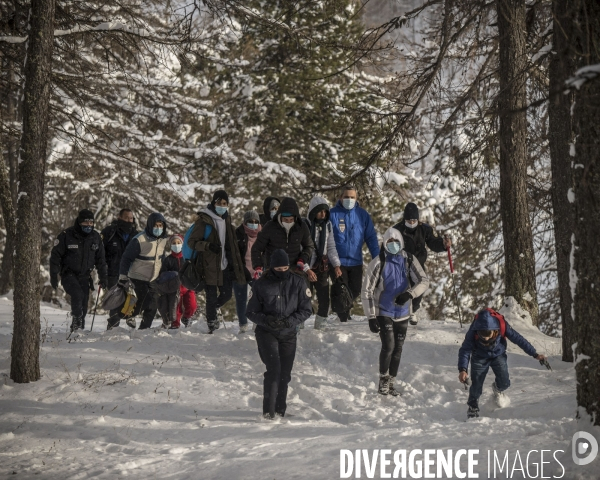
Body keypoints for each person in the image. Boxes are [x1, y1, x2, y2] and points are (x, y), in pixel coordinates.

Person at [361, 227, 429, 396]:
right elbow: (367, 290)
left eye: (395, 242)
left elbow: (424, 281)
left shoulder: (409, 260)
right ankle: (383, 380)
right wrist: (371, 316)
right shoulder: (378, 262)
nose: (393, 245)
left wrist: (409, 294)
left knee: (398, 349)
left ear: (401, 243)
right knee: (388, 346)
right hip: (384, 310)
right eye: (389, 242)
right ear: (384, 243)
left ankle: (391, 381)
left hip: (404, 312)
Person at [246, 249, 312, 419]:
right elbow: (251, 311)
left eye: (285, 269)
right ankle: (268, 411)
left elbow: (306, 310)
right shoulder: (260, 284)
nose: (282, 272)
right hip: (267, 332)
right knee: (274, 370)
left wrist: (289, 321)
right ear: (272, 268)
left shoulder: (298, 282)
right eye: (278, 269)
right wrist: (267, 320)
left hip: (289, 333)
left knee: (285, 373)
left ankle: (280, 410)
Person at [458, 308, 548, 419]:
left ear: (494, 330)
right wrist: (463, 369)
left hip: (498, 355)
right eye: (482, 333)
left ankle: (497, 389)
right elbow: (465, 350)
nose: (485, 337)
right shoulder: (474, 330)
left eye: (488, 334)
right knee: (476, 384)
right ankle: (473, 407)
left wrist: (534, 354)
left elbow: (518, 339)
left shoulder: (501, 326)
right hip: (479, 357)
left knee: (505, 382)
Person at [187, 190, 246, 333]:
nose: (222, 206)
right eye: (219, 203)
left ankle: (210, 312)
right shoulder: (204, 220)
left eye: (224, 203)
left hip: (224, 265)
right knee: (211, 296)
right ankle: (211, 324)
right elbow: (192, 242)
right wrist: (207, 246)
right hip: (208, 266)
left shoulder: (226, 220)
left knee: (226, 294)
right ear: (214, 203)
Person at [392, 202, 450, 325]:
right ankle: (400, 311)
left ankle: (413, 310)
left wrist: (443, 245)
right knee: (401, 288)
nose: (412, 223)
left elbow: (433, 243)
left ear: (418, 220)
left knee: (418, 287)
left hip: (418, 263)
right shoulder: (397, 230)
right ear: (404, 220)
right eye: (409, 221)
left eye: (414, 221)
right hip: (401, 264)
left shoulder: (425, 229)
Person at [50, 209, 108, 332]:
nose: (88, 226)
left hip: (85, 276)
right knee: (77, 295)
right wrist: (53, 275)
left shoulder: (95, 237)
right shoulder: (67, 235)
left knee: (84, 304)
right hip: (68, 274)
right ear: (79, 222)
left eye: (91, 223)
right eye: (85, 223)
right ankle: (76, 320)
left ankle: (77, 330)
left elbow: (101, 260)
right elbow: (55, 256)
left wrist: (104, 277)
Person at [330, 185, 380, 322]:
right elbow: (326, 239)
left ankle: (342, 309)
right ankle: (343, 318)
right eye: (346, 197)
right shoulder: (332, 214)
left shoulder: (362, 215)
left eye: (352, 197)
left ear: (356, 199)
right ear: (340, 197)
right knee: (341, 290)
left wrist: (378, 257)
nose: (349, 199)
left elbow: (371, 238)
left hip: (356, 262)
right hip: (337, 262)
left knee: (356, 290)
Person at [118, 212, 169, 329]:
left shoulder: (163, 239)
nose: (158, 228)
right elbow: (126, 258)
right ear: (150, 225)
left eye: (161, 226)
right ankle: (128, 315)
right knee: (144, 299)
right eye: (156, 225)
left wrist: (164, 272)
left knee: (153, 305)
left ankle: (144, 329)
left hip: (153, 277)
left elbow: (162, 258)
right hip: (138, 276)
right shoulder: (139, 239)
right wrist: (123, 275)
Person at [251, 197, 314, 280]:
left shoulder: (301, 227)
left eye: (291, 220)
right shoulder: (270, 226)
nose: (288, 222)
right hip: (273, 270)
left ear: (295, 218)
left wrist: (302, 259)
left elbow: (309, 246)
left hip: (294, 270)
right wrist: (258, 267)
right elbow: (256, 248)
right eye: (285, 220)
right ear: (280, 216)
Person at [304, 195, 342, 330]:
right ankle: (298, 326)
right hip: (305, 267)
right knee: (303, 299)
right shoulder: (305, 225)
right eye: (320, 211)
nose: (323, 214)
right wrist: (306, 269)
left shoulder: (328, 225)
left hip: (322, 267)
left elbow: (331, 247)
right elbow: (299, 249)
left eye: (325, 211)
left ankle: (320, 327)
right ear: (313, 211)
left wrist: (336, 265)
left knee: (324, 299)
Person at [101, 208, 138, 329]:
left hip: (131, 273)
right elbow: (101, 254)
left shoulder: (136, 235)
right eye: (126, 218)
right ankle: (112, 327)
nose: (129, 220)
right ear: (120, 217)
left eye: (131, 218)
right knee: (116, 300)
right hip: (113, 273)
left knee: (131, 300)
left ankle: (130, 327)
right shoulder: (109, 232)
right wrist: (103, 271)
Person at [157, 234, 197, 329]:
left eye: (178, 243)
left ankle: (187, 317)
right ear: (170, 245)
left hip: (188, 286)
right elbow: (163, 274)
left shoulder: (186, 257)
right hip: (175, 288)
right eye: (174, 243)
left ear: (182, 244)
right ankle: (175, 323)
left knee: (192, 305)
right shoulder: (168, 260)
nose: (176, 245)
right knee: (175, 307)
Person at [233, 210, 262, 333]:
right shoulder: (238, 234)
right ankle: (243, 325)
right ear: (245, 222)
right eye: (250, 222)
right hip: (240, 271)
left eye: (256, 222)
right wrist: (239, 269)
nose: (253, 224)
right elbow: (234, 255)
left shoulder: (263, 234)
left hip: (257, 271)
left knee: (259, 298)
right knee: (241, 299)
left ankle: (257, 323)